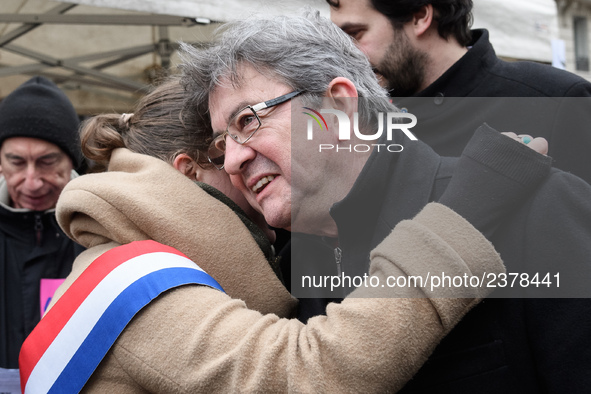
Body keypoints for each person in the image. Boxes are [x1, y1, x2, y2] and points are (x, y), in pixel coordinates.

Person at [18, 73, 512, 393]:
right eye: (229, 146)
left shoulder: (131, 252)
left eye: (251, 132)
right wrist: (458, 221)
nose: (242, 162)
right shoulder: (139, 286)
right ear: (190, 170)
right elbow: (311, 374)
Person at [179, 10, 591, 393]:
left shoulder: (533, 207)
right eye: (223, 142)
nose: (232, 160)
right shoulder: (286, 271)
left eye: (247, 121)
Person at [327, 0, 591, 185]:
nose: (346, 56)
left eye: (355, 34)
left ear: (420, 17)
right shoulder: (359, 121)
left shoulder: (557, 99)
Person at [0, 76, 85, 374]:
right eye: (17, 163)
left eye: (47, 162)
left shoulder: (101, 231)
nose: (32, 181)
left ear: (71, 161)